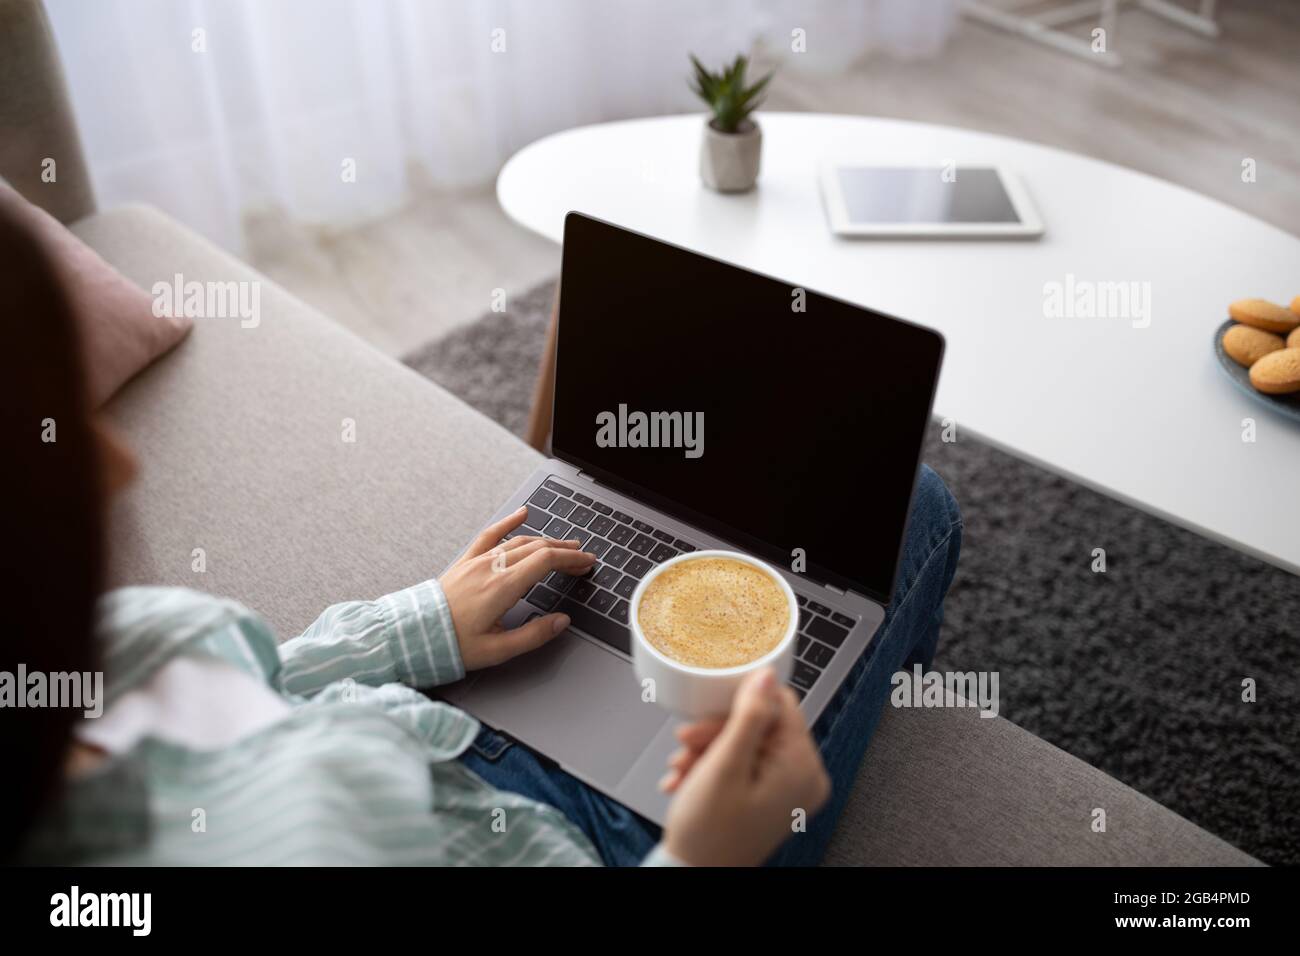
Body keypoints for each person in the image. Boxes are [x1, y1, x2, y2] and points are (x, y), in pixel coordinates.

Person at [0, 202, 961, 866]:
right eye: (42, 433)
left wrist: (420, 623)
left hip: (448, 709)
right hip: (601, 842)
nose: (118, 462)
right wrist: (704, 850)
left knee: (686, 498)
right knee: (917, 510)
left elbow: (258, 687)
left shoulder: (111, 650)